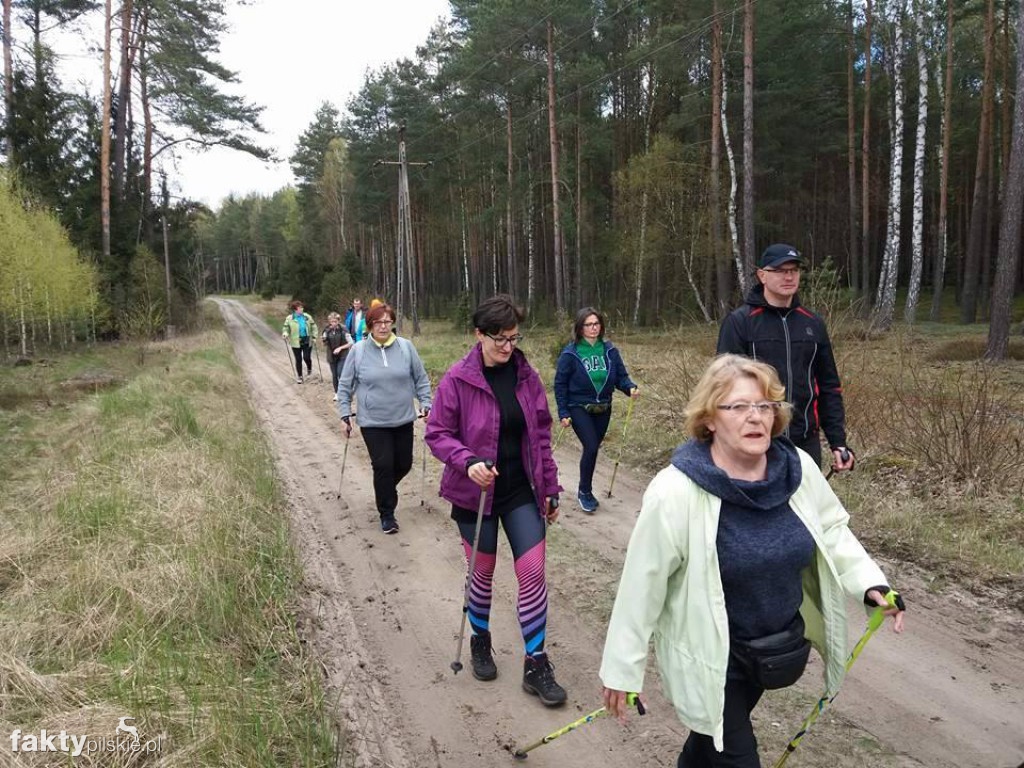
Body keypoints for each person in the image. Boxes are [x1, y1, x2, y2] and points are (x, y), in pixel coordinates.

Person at [599, 354, 906, 767]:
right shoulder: (676, 491)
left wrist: (870, 582)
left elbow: (831, 529)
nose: (755, 416)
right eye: (739, 406)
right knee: (733, 753)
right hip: (712, 656)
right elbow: (643, 583)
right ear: (709, 418)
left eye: (765, 405)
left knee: (709, 745)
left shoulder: (796, 469)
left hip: (772, 647)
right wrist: (622, 669)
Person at [425, 294, 567, 706]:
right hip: (475, 495)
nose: (508, 346)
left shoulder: (526, 376)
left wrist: (550, 487)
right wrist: (467, 461)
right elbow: (437, 433)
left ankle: (536, 662)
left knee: (533, 573)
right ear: (479, 335)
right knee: (482, 573)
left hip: (520, 490)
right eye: (499, 339)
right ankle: (480, 639)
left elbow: (541, 435)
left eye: (513, 338)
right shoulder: (458, 379)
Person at [717, 243, 854, 472]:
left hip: (805, 441)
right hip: (757, 438)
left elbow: (829, 387)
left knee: (805, 497)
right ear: (762, 275)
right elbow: (723, 386)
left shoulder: (813, 324)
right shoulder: (740, 322)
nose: (789, 277)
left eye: (794, 270)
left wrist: (837, 442)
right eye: (780, 270)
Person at [336, 302, 432, 534]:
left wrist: (426, 402)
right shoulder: (358, 351)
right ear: (369, 325)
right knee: (383, 465)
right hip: (373, 422)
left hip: (403, 418)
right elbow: (345, 385)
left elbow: (420, 378)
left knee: (404, 464)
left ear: (392, 323)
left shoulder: (406, 347)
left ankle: (385, 488)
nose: (383, 326)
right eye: (378, 322)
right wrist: (344, 414)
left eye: (387, 321)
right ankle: (387, 514)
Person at [553, 307, 639, 513]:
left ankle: (585, 488)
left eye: (596, 323)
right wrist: (563, 412)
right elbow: (560, 384)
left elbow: (621, 376)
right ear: (580, 327)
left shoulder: (609, 351)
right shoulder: (570, 353)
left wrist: (630, 387)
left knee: (593, 449)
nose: (593, 328)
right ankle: (585, 491)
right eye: (588, 324)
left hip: (604, 407)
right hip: (578, 406)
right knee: (591, 446)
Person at [282, 300, 318, 384]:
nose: (302, 309)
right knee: (298, 359)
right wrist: (285, 333)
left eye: (302, 307)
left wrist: (314, 336)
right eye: (300, 308)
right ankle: (300, 376)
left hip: (307, 339)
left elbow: (314, 326)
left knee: (306, 357)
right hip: (295, 341)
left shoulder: (307, 316)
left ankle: (309, 369)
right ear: (295, 309)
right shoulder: (289, 318)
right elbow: (286, 328)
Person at [322, 311, 353, 400]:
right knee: (334, 375)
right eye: (332, 321)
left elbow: (351, 343)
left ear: (338, 321)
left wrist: (340, 348)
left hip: (343, 354)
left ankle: (346, 392)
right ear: (329, 321)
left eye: (335, 321)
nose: (334, 323)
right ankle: (337, 393)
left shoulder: (344, 329)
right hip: (331, 355)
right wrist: (324, 340)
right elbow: (324, 343)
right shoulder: (326, 330)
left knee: (340, 373)